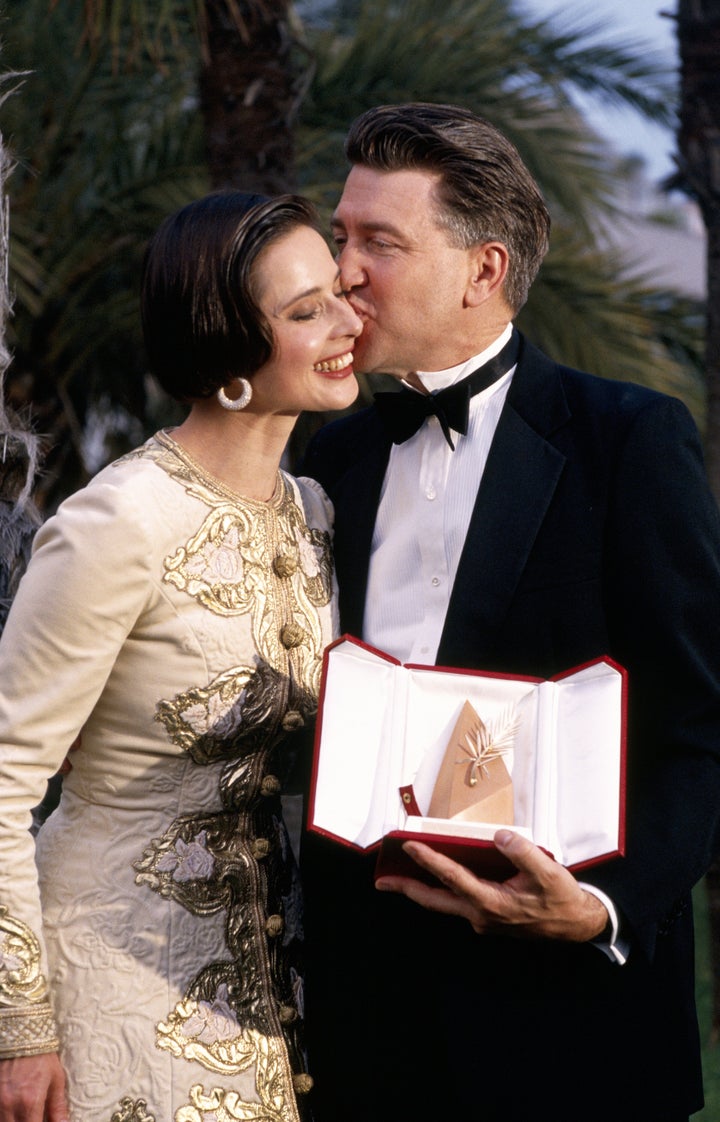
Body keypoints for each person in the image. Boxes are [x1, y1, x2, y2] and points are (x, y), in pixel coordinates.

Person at [298, 103, 720, 1122]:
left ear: (482, 270)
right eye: (341, 237)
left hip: (572, 1033)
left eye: (379, 242)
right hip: (362, 1032)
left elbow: (700, 728)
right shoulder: (330, 451)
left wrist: (602, 906)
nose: (342, 272)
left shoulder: (631, 442)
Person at [0, 189, 361, 1122]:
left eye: (339, 293)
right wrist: (20, 1027)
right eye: (306, 311)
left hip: (271, 989)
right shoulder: (120, 521)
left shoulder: (312, 514)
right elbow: (3, 777)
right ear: (225, 344)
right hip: (109, 980)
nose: (348, 323)